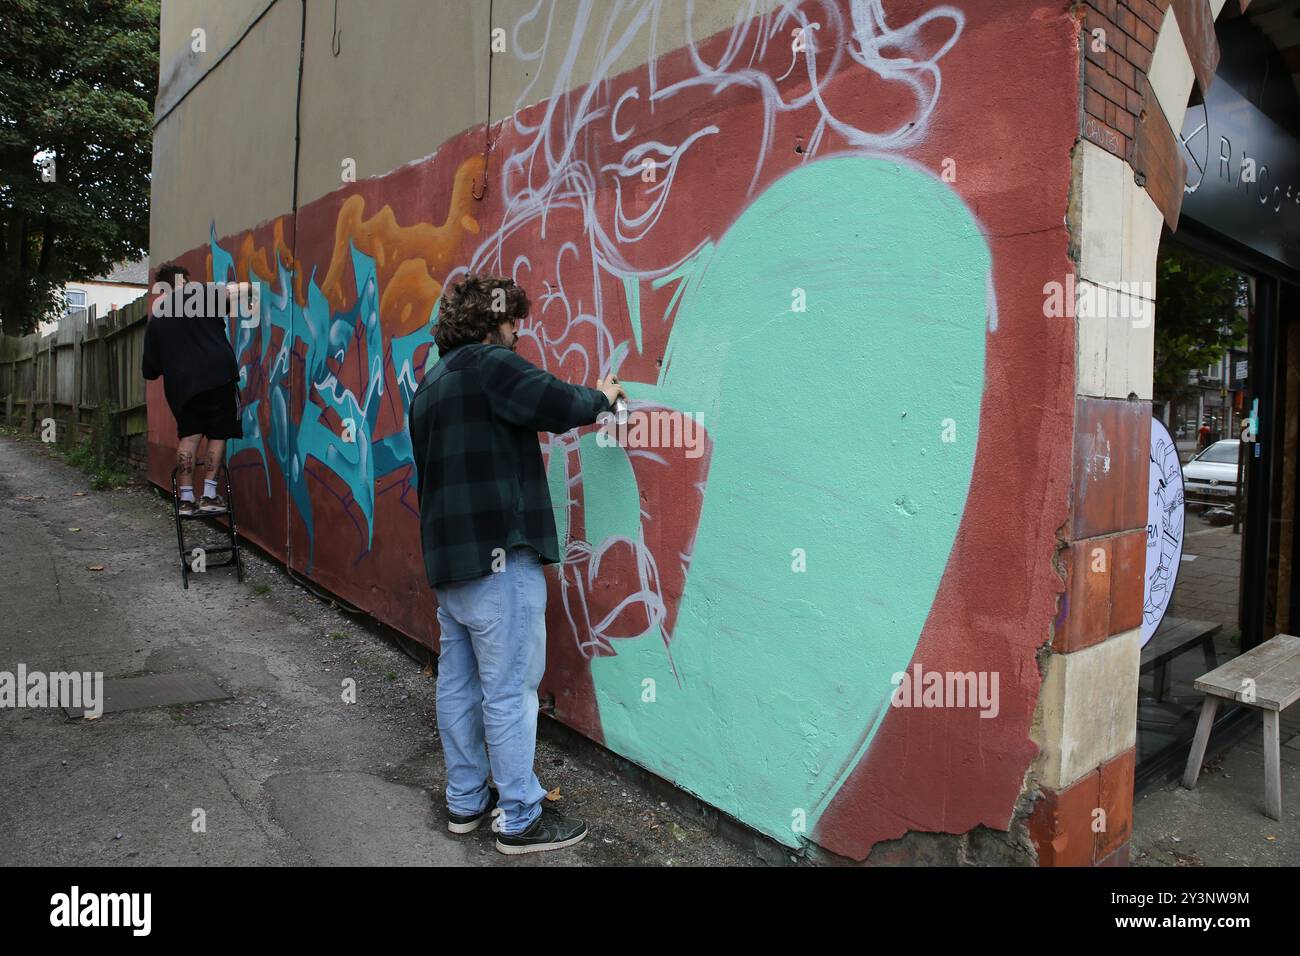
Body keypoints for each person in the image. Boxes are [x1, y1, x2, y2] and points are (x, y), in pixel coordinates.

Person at [408, 274, 625, 855]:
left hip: (451, 567)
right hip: (500, 562)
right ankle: (522, 817)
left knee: (458, 684)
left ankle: (465, 800)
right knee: (508, 690)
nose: (517, 333)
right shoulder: (491, 365)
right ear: (489, 322)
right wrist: (602, 397)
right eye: (512, 322)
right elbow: (554, 401)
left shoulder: (429, 385)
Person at [141, 263, 242, 516]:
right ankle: (209, 495)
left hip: (182, 387)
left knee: (190, 437)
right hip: (218, 377)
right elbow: (238, 292)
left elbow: (150, 371)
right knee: (218, 435)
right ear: (184, 281)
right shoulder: (199, 294)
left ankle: (186, 500)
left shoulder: (156, 320)